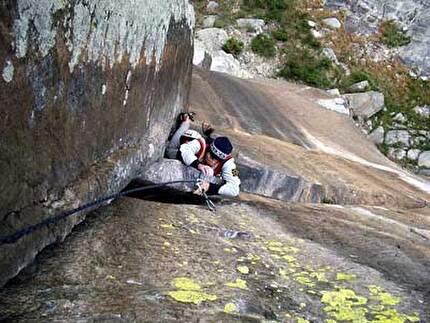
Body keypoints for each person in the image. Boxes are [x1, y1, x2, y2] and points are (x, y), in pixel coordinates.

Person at [166, 112, 240, 197]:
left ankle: (207, 135)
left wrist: (209, 187)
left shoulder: (230, 164)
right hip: (182, 145)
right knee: (169, 152)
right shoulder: (200, 144)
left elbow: (235, 189)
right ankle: (186, 122)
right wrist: (199, 165)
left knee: (219, 182)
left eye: (218, 160)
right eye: (212, 156)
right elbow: (184, 150)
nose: (213, 161)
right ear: (208, 150)